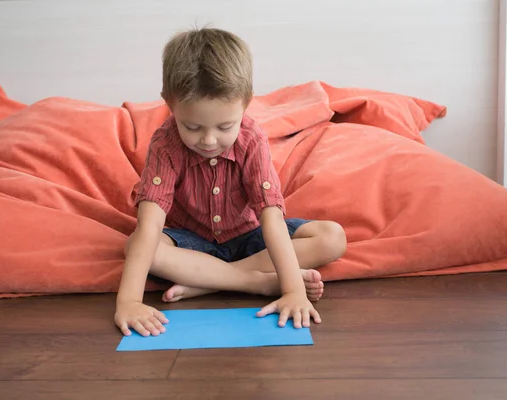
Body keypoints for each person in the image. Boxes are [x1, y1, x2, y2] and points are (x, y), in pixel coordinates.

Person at [114, 27, 346, 337]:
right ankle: (255, 282)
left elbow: (272, 219)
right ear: (169, 102)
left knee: (333, 237)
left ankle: (210, 283)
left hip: (249, 237)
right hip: (192, 242)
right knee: (138, 247)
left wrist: (293, 292)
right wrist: (128, 301)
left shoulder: (251, 138)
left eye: (225, 126)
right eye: (192, 126)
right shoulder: (165, 144)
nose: (209, 140)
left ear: (246, 102)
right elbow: (149, 226)